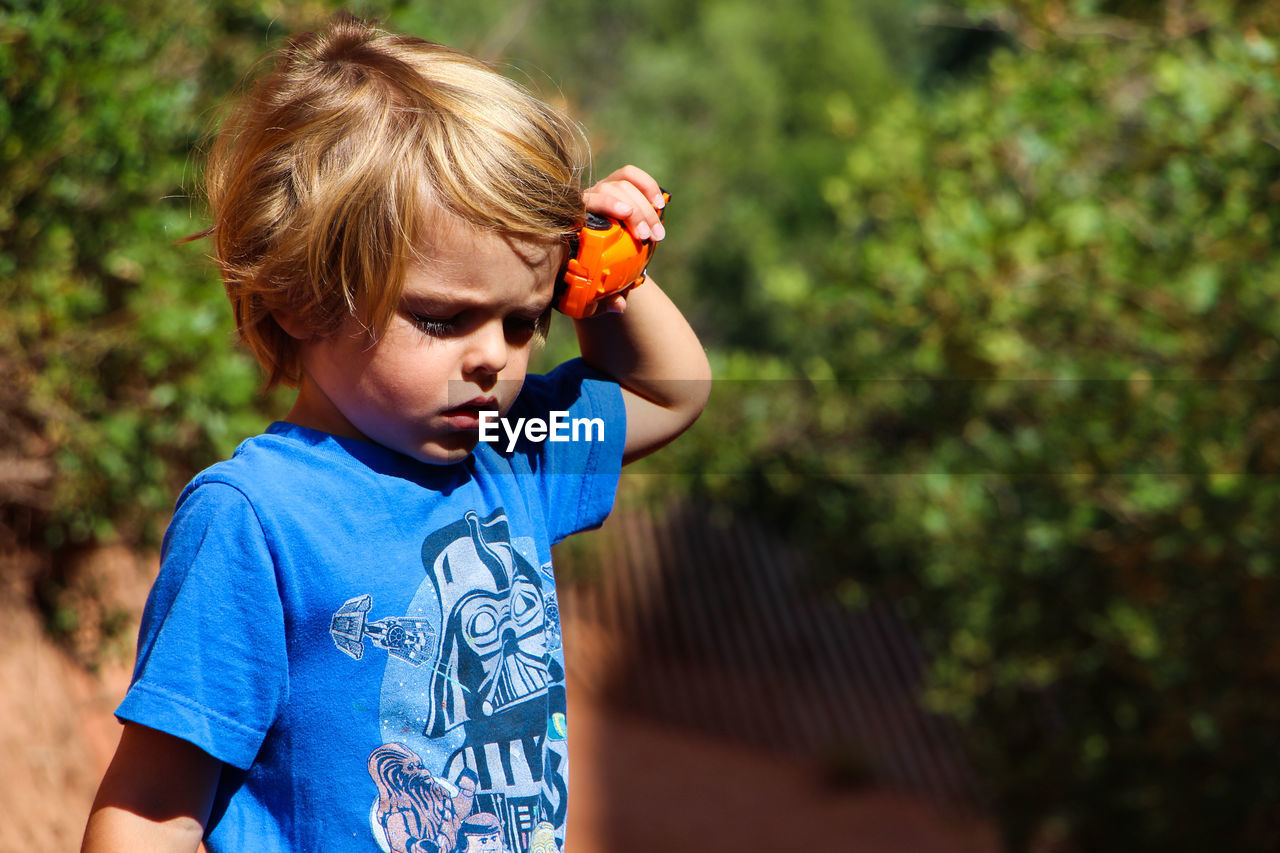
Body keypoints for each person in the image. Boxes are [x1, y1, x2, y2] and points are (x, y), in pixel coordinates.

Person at [81, 13, 709, 853]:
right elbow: (155, 803)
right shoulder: (258, 517)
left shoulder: (511, 454)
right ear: (306, 297)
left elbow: (665, 393)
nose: (493, 358)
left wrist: (605, 284)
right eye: (444, 318)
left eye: (524, 322)